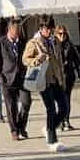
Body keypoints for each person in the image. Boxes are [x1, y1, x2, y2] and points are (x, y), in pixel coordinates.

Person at [24, 20, 67, 152]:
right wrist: (37, 60)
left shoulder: (54, 41)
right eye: (46, 28)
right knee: (51, 109)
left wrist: (62, 79)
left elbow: (58, 60)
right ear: (41, 29)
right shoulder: (34, 42)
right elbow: (25, 59)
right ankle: (52, 141)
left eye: (50, 28)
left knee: (64, 108)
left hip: (56, 79)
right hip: (44, 81)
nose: (48, 31)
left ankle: (49, 127)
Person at [0, 20, 31, 140]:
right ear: (9, 30)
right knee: (11, 107)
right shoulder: (0, 43)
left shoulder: (23, 42)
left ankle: (21, 126)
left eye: (19, 30)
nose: (18, 32)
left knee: (26, 102)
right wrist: (1, 77)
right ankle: (14, 130)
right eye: (16, 30)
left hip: (22, 78)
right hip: (7, 79)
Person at [54, 24, 80, 130]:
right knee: (60, 100)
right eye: (60, 33)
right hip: (57, 77)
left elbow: (77, 58)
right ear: (56, 34)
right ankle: (60, 121)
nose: (62, 36)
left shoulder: (69, 45)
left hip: (68, 76)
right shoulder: (53, 45)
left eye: (64, 33)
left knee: (67, 99)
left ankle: (66, 120)